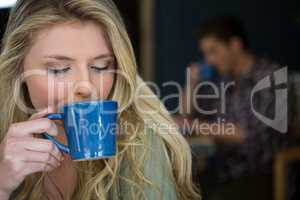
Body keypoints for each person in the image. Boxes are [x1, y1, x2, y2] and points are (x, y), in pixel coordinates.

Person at [0, 0, 201, 199]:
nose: (86, 86)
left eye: (101, 67)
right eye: (58, 69)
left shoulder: (140, 143)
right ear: (19, 69)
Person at [179, 15, 297, 200]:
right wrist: (191, 84)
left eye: (213, 51)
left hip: (264, 175)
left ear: (235, 45)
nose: (209, 60)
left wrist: (192, 124)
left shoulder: (272, 78)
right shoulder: (224, 81)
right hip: (224, 172)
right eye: (205, 54)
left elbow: (249, 134)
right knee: (176, 188)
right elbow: (188, 115)